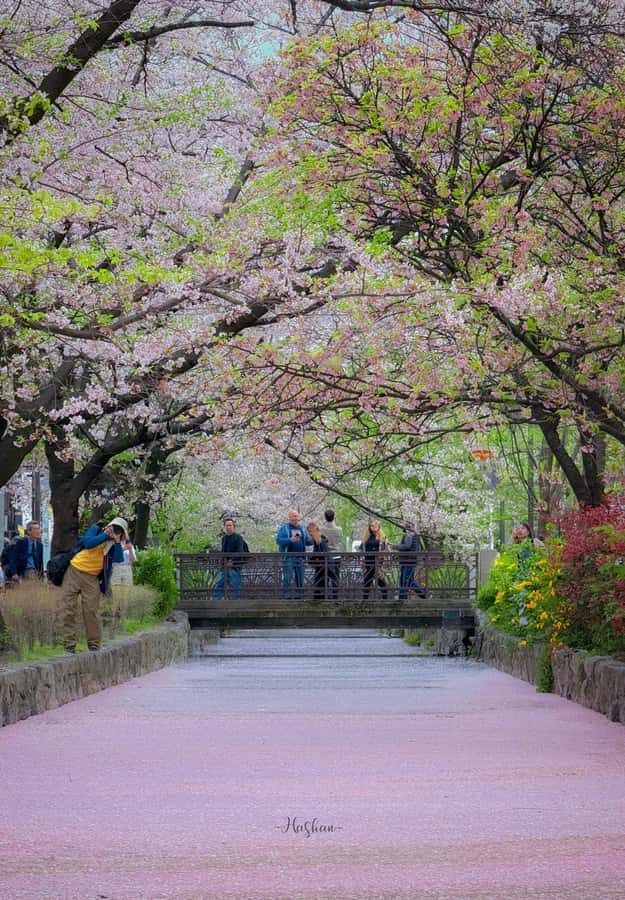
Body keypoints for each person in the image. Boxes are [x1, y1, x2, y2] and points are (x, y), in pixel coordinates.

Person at [61, 516, 128, 653]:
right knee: (69, 609)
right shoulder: (96, 530)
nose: (114, 530)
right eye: (114, 526)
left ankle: (94, 643)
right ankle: (69, 644)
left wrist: (116, 541)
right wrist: (105, 535)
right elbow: (88, 543)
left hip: (92, 579)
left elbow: (119, 559)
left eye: (118, 530)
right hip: (74, 571)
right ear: (109, 524)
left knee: (91, 611)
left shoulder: (114, 544)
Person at [276, 510, 311, 598]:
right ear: (289, 517)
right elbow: (279, 541)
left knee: (300, 578)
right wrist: (290, 540)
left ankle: (299, 596)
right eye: (293, 516)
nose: (295, 518)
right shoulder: (284, 528)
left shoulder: (302, 528)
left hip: (301, 557)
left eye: (296, 516)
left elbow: (307, 541)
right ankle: (286, 596)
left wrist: (315, 538)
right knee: (287, 577)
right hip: (288, 557)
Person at [212, 517, 248, 600]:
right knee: (220, 583)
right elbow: (223, 552)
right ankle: (215, 600)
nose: (229, 527)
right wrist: (223, 563)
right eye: (227, 525)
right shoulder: (224, 538)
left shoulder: (238, 537)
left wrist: (232, 561)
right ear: (224, 527)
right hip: (225, 565)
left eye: (230, 525)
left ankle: (236, 601)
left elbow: (240, 551)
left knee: (235, 584)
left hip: (235, 565)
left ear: (233, 526)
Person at [393, 521, 426, 601]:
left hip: (408, 560)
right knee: (406, 580)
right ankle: (403, 597)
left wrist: (394, 546)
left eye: (403, 522)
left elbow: (407, 546)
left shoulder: (409, 532)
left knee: (406, 580)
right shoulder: (412, 533)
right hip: (408, 560)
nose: (402, 524)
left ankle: (403, 598)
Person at [361, 520, 389, 600]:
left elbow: (385, 549)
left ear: (378, 527)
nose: (373, 527)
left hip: (377, 562)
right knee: (368, 581)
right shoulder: (367, 536)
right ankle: (365, 600)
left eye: (375, 526)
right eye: (371, 526)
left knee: (375, 581)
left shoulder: (382, 537)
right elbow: (362, 547)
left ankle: (384, 599)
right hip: (368, 562)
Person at [322, 509, 343, 592]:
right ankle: (335, 596)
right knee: (336, 576)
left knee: (325, 576)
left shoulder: (321, 529)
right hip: (337, 555)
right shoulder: (339, 529)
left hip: (326, 556)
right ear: (334, 517)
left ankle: (325, 594)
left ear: (325, 517)